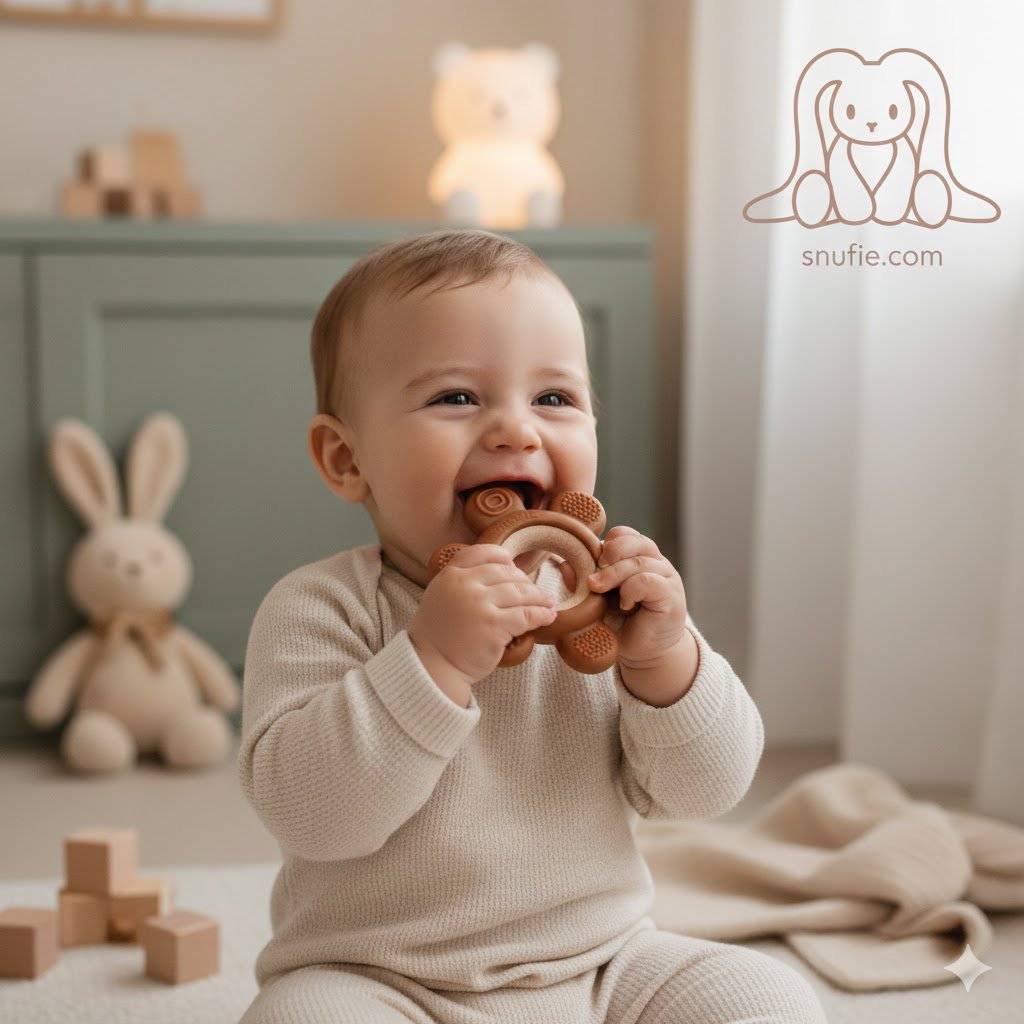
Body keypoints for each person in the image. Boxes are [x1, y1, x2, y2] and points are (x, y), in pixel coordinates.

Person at [237, 229, 826, 1023]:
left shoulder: (604, 601)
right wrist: (433, 661)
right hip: (382, 979)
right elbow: (312, 815)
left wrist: (667, 664)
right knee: (299, 1019)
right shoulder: (320, 609)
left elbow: (705, 792)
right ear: (347, 459)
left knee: (770, 998)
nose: (517, 430)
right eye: (457, 397)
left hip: (603, 967)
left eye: (554, 399)